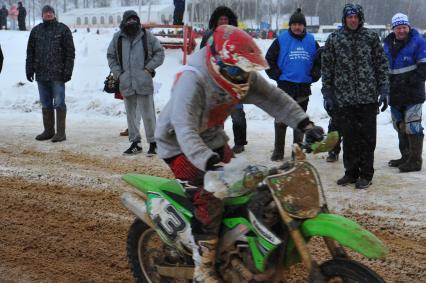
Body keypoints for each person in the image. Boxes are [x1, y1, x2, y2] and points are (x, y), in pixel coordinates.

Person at [155, 25, 323, 283]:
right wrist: (208, 162)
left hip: (212, 138)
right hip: (178, 145)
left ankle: (239, 248)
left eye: (245, 71)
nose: (241, 76)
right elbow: (184, 128)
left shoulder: (239, 73)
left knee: (248, 189)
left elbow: (274, 98)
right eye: (235, 70)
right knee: (210, 198)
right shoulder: (193, 79)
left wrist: (304, 124)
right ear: (217, 62)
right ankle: (205, 267)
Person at [321, 3, 389, 189]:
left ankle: (366, 174)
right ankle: (350, 172)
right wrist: (327, 92)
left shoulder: (371, 37)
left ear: (360, 18)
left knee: (367, 138)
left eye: (355, 17)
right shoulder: (334, 39)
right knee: (349, 138)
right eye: (349, 17)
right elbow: (327, 68)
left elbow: (381, 64)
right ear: (345, 19)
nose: (353, 20)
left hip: (367, 98)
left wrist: (384, 89)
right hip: (344, 99)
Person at [265, 8, 321, 161]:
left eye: (300, 24)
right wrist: (277, 76)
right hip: (285, 87)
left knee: (300, 121)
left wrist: (315, 74)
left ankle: (296, 151)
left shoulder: (311, 40)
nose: (297, 27)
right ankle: (278, 151)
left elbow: (319, 61)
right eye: (294, 24)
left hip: (303, 88)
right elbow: (268, 60)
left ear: (304, 26)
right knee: (281, 120)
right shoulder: (281, 39)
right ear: (290, 25)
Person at [107, 10, 165, 155]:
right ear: (124, 22)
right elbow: (111, 56)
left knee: (149, 114)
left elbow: (160, 53)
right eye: (129, 20)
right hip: (126, 82)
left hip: (144, 81)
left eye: (134, 20)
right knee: (131, 115)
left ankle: (153, 143)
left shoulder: (146, 36)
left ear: (138, 22)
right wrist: (119, 74)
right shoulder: (117, 38)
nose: (132, 23)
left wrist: (148, 68)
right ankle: (135, 143)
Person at [200, 6, 248, 154]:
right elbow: (201, 56)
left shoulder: (238, 35)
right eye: (220, 19)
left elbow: (245, 55)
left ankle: (240, 142)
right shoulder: (208, 35)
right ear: (215, 20)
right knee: (213, 114)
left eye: (225, 19)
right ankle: (214, 143)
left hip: (233, 80)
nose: (223, 21)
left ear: (230, 21)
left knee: (237, 113)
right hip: (213, 81)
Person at [26, 5, 75, 142]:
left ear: (54, 14)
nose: (48, 14)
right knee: (45, 103)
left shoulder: (63, 29)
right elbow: (30, 52)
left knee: (59, 103)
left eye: (50, 12)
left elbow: (70, 52)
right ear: (42, 15)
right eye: (45, 13)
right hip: (41, 74)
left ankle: (60, 133)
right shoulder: (36, 31)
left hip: (58, 74)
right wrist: (29, 69)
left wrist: (68, 71)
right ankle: (48, 131)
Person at [384, 13, 426, 172]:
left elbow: (424, 68)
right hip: (395, 93)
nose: (401, 30)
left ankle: (415, 160)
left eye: (404, 27)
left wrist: (408, 81)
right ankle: (406, 156)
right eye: (398, 28)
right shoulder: (387, 44)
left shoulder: (419, 42)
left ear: (408, 27)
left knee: (413, 125)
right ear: (393, 29)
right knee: (399, 125)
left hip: (413, 93)